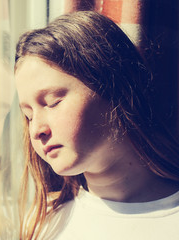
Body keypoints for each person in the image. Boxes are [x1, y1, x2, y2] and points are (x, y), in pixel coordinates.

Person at [14, 11, 179, 240]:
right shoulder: (42, 225)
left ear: (114, 87)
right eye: (28, 115)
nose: (36, 130)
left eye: (53, 102)